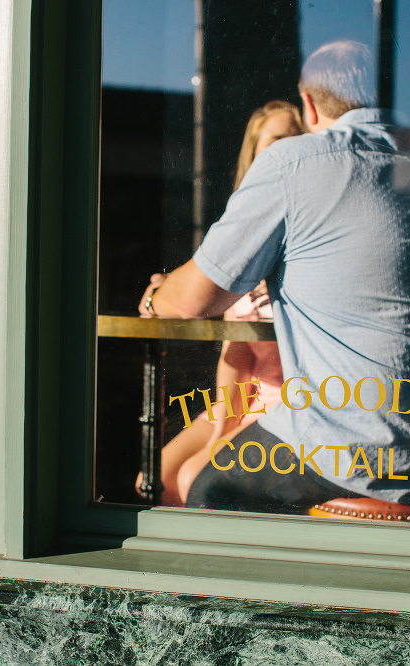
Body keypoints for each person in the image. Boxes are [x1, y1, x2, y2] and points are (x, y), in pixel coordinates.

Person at [139, 40, 410, 515]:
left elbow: (191, 302)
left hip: (367, 445)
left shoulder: (293, 164)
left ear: (308, 105)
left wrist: (159, 295)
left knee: (209, 488)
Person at [140, 101, 302, 506]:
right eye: (279, 139)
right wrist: (220, 427)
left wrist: (219, 440)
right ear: (255, 153)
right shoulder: (243, 236)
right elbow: (237, 349)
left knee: (196, 481)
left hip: (290, 408)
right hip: (245, 397)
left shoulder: (307, 237)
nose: (291, 147)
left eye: (299, 137)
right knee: (154, 479)